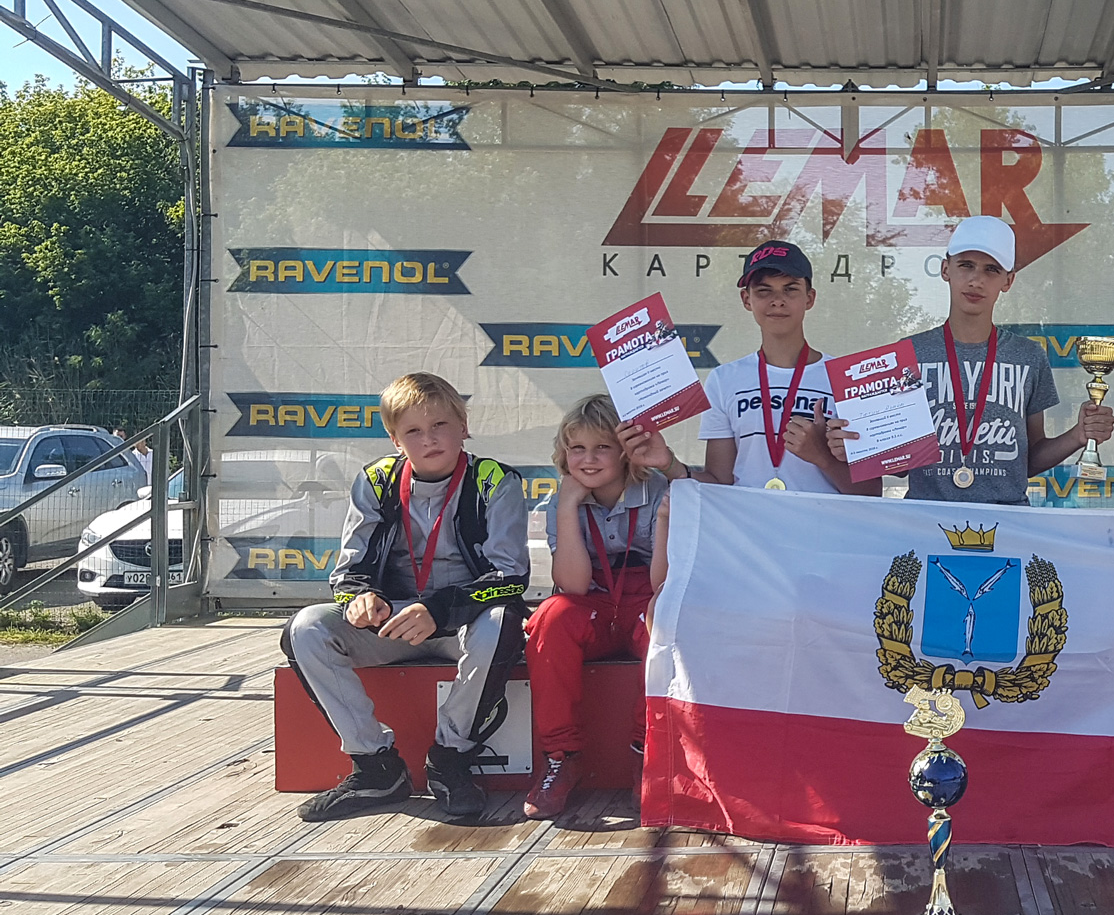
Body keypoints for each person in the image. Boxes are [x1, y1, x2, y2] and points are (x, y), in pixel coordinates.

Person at [282, 373, 529, 823]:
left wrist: (438, 609)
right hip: (393, 622)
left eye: (440, 425)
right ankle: (376, 768)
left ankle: (450, 759)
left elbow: (510, 577)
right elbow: (348, 571)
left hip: (463, 621)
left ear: (463, 426)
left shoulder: (496, 480)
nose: (429, 439)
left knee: (502, 623)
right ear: (395, 440)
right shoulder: (376, 480)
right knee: (306, 628)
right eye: (413, 430)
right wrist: (360, 597)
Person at [828, 215, 1112, 506]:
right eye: (966, 265)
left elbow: (1028, 459)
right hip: (926, 517)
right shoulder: (909, 352)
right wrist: (856, 445)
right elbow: (899, 464)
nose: (976, 280)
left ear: (1008, 280)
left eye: (991, 269)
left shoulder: (1028, 357)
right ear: (945, 269)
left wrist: (1077, 436)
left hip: (1007, 519)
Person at [522, 395, 684, 820]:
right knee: (550, 618)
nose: (588, 459)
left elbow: (662, 584)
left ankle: (646, 753)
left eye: (602, 448)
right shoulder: (561, 500)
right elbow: (573, 586)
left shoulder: (658, 490)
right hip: (592, 597)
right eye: (577, 448)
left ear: (625, 451)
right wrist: (568, 506)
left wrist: (665, 521)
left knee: (668, 617)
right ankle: (562, 757)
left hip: (643, 595)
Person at [692, 241, 877, 495]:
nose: (778, 301)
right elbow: (719, 483)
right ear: (746, 299)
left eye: (790, 290)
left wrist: (822, 457)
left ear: (809, 298)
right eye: (764, 291)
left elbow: (871, 493)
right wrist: (668, 465)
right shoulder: (724, 380)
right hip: (749, 521)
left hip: (823, 520)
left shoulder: (847, 379)